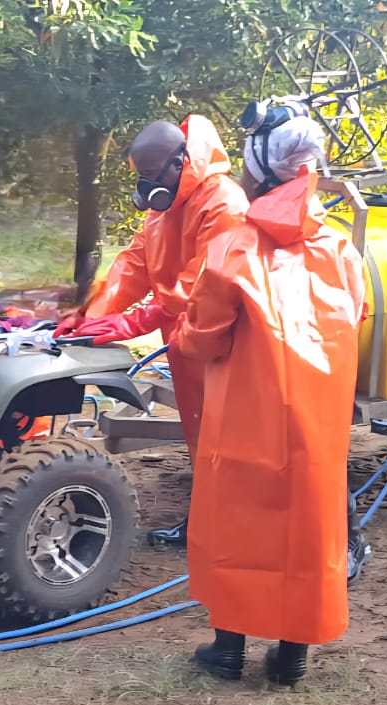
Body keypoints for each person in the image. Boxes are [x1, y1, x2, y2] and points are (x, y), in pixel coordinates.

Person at [170, 112, 367, 685]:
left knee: (235, 523)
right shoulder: (341, 250)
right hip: (317, 423)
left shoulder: (233, 248)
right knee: (309, 527)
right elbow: (356, 317)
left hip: (244, 419)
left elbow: (202, 337)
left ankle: (228, 648)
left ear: (258, 167)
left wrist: (182, 335)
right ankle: (293, 656)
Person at [58, 115, 249, 545]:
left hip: (228, 345)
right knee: (202, 436)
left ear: (180, 162)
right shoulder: (164, 208)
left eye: (150, 176)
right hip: (187, 343)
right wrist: (91, 317)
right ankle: (209, 524)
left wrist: (137, 320)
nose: (145, 188)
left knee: (232, 438)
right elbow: (135, 264)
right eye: (139, 176)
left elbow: (204, 285)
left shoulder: (224, 205)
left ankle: (239, 533)